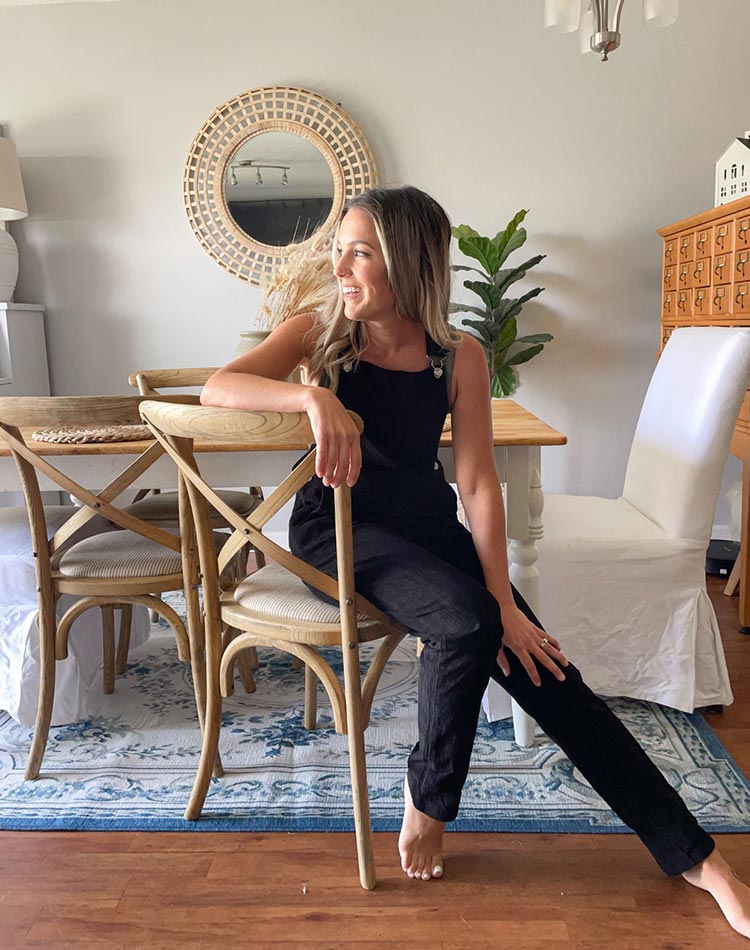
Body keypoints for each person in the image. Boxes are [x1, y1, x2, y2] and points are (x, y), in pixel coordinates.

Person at [201, 185, 750, 939]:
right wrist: (312, 403)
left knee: (554, 678)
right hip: (342, 530)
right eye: (340, 251)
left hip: (427, 530)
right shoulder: (320, 336)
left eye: (358, 252)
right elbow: (217, 386)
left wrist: (510, 600)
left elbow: (479, 480)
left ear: (406, 261)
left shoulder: (457, 354)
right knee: (463, 624)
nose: (342, 268)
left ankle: (701, 859)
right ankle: (430, 802)